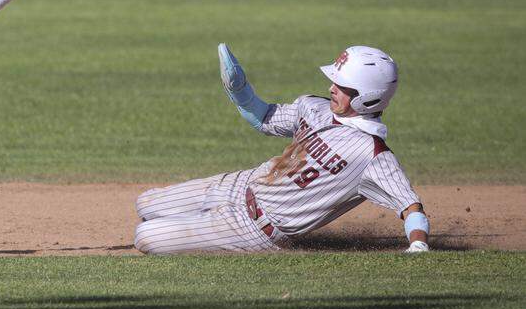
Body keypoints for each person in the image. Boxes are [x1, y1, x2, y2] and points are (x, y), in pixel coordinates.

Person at [133, 44, 430, 254]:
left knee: (145, 237)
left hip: (254, 229)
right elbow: (263, 117)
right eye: (334, 82)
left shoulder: (373, 156)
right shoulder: (314, 107)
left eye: (343, 87)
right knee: (146, 204)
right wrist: (240, 91)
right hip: (241, 185)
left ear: (368, 98)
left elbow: (410, 206)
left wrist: (418, 244)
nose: (332, 89)